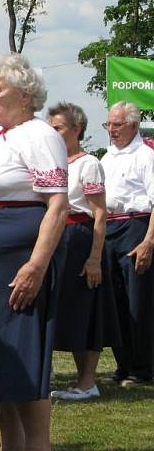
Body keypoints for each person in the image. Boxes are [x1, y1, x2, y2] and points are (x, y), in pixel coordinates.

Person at [0, 54, 68, 451]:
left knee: (22, 360)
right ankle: (11, 445)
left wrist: (36, 266)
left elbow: (57, 205)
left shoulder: (40, 136)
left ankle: (37, 445)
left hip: (14, 262)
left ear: (24, 94)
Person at [47, 102, 119, 401]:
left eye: (58, 128)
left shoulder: (88, 164)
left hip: (79, 238)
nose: (52, 133)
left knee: (85, 308)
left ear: (76, 130)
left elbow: (99, 214)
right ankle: (79, 379)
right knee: (65, 308)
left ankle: (88, 381)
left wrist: (93, 258)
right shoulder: (55, 162)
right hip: (56, 236)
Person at [100, 100, 154, 386]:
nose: (112, 130)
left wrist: (148, 241)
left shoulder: (146, 155)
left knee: (138, 300)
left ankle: (143, 367)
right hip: (110, 226)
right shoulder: (107, 158)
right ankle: (124, 364)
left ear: (133, 125)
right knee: (115, 298)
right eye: (109, 124)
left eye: (117, 124)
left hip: (136, 223)